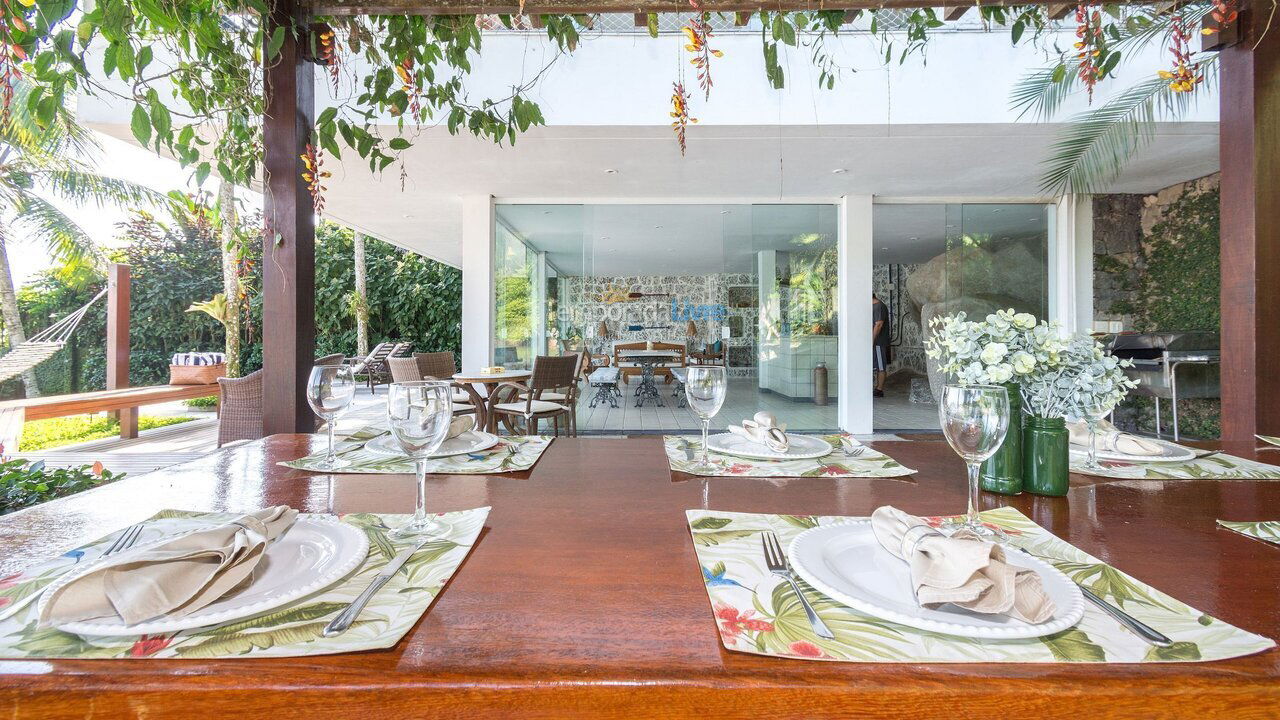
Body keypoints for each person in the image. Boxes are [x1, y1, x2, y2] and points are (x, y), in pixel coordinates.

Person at [872, 293, 889, 398]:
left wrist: (871, 341)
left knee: (880, 366)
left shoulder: (879, 306)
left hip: (878, 342)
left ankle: (879, 389)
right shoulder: (873, 306)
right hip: (874, 342)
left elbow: (878, 325)